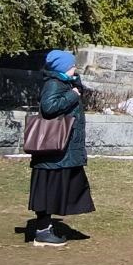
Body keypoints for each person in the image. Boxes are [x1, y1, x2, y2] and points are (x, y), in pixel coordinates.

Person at [28, 50, 95, 247]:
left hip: (63, 150)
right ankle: (43, 232)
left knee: (59, 187)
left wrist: (74, 85)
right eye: (71, 65)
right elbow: (49, 107)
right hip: (55, 148)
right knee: (48, 189)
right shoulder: (54, 84)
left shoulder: (64, 82)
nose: (75, 68)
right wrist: (72, 95)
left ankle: (45, 229)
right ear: (61, 68)